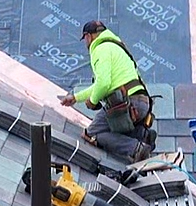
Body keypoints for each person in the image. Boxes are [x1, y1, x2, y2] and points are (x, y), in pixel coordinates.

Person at [58, 20, 156, 162]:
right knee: (112, 129)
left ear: (88, 36)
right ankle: (141, 135)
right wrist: (75, 97)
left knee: (91, 133)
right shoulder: (115, 46)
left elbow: (103, 84)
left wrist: (92, 101)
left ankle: (136, 149)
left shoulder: (100, 49)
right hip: (142, 103)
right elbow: (102, 84)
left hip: (127, 104)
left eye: (85, 39)